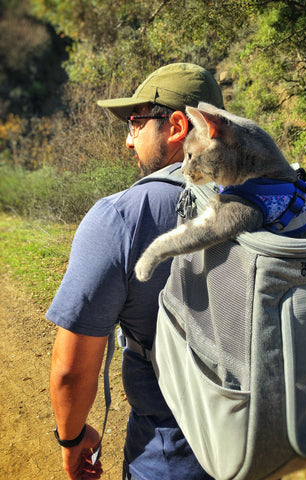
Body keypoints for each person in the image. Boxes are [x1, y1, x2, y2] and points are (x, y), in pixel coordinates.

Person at [48, 63, 224, 480]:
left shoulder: (122, 217)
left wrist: (72, 441)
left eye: (135, 122)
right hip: (260, 450)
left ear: (177, 125)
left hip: (169, 461)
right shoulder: (269, 203)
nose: (129, 141)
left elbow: (71, 369)